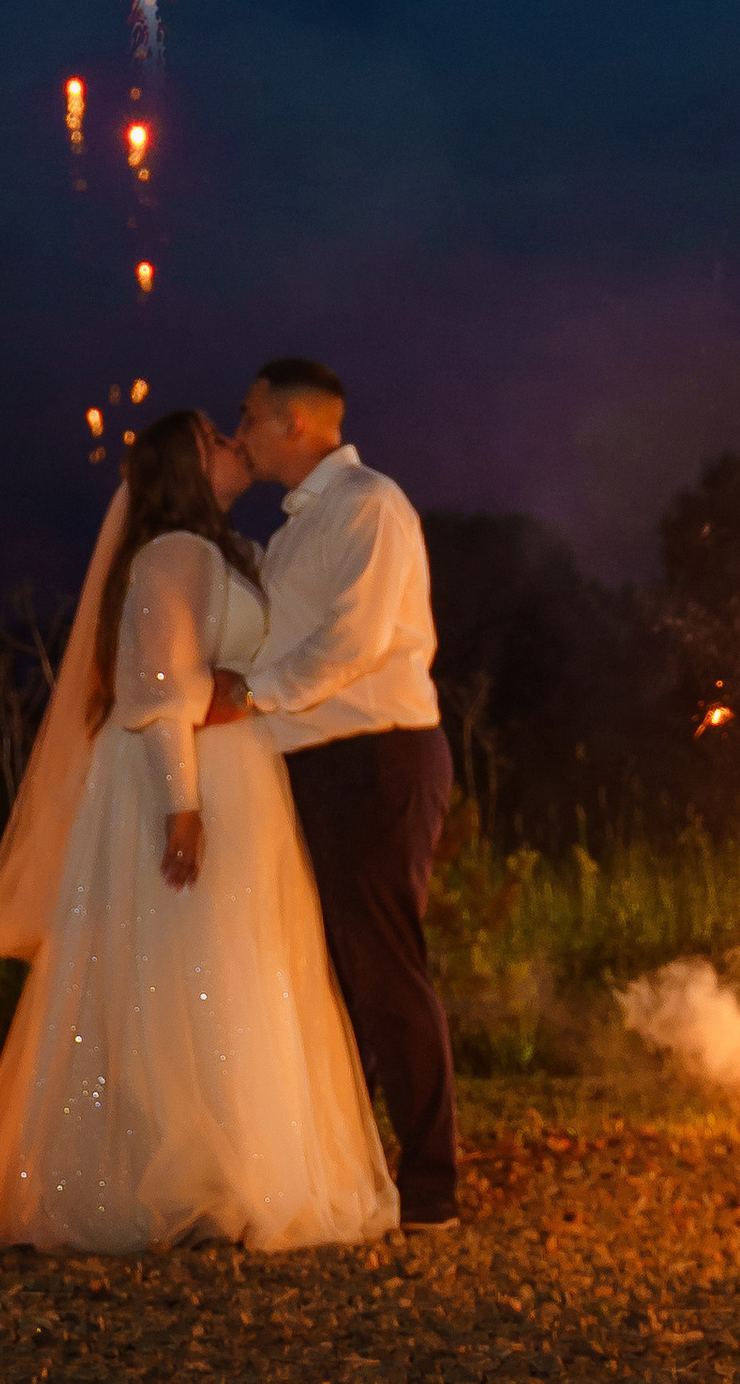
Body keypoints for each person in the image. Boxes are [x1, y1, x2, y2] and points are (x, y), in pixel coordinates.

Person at [0, 403, 396, 1255]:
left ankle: (226, 1170)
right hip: (186, 779)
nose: (233, 445)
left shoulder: (216, 551)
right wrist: (180, 807)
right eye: (215, 442)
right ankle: (182, 1177)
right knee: (187, 960)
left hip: (232, 774)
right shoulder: (174, 552)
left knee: (223, 961)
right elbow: (160, 688)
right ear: (188, 470)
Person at [205, 356, 460, 1231]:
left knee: (383, 965)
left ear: (296, 424)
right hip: (318, 761)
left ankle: (431, 1184)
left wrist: (249, 697)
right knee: (333, 973)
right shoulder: (295, 531)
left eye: (249, 415)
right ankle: (350, 1170)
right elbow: (277, 629)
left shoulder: (369, 506)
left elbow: (353, 641)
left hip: (376, 754)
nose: (239, 430)